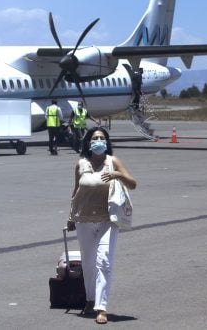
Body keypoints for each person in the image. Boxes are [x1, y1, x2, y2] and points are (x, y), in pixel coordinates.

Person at [67, 127, 137, 325]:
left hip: (108, 219)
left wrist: (117, 174)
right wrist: (71, 216)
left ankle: (101, 307)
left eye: (102, 138)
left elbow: (133, 183)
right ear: (88, 142)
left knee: (104, 261)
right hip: (83, 220)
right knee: (88, 264)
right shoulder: (80, 164)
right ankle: (89, 299)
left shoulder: (112, 161)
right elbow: (76, 192)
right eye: (95, 138)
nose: (99, 141)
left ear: (107, 142)